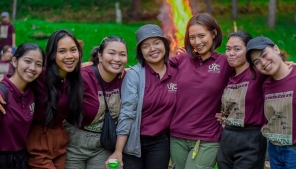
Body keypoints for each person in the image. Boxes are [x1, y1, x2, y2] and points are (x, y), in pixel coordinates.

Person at [106, 24, 177, 169]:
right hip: (133, 140)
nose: (152, 49)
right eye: (145, 46)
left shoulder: (176, 74)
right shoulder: (135, 75)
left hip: (160, 142)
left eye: (156, 43)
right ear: (140, 52)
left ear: (165, 44)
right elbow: (127, 113)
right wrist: (118, 151)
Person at [169, 13, 233, 169]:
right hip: (177, 135)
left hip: (207, 138)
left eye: (201, 36)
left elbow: (251, 73)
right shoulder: (182, 59)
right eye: (192, 38)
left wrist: (286, 65)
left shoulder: (225, 62)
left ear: (214, 33)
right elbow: (153, 68)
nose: (197, 42)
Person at [64, 36, 128, 169]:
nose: (117, 59)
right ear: (100, 55)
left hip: (103, 144)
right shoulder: (82, 77)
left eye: (122, 55)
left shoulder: (127, 78)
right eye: (111, 53)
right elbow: (51, 79)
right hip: (73, 144)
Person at [215, 31, 267, 169]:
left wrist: (289, 66)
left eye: (237, 49)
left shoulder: (259, 74)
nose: (231, 53)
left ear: (248, 51)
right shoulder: (229, 78)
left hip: (251, 139)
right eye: (228, 49)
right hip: (227, 137)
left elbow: (280, 71)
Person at [246, 36, 296, 169]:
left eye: (264, 54)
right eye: (256, 62)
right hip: (274, 150)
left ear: (276, 49)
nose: (263, 62)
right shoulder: (266, 85)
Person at [0, 42, 45, 169]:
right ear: (15, 61)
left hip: (23, 158)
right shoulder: (0, 94)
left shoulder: (33, 91)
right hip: (2, 159)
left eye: (38, 64)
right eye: (27, 61)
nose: (33, 68)